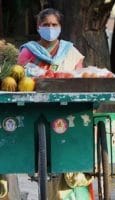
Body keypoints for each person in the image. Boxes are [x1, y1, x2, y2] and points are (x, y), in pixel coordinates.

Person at [0, 8, 94, 200]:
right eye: (46, 25)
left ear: (60, 27)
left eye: (54, 25)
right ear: (38, 27)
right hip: (29, 108)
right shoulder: (27, 51)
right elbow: (18, 76)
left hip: (64, 108)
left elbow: (77, 77)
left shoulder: (72, 52)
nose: (50, 28)